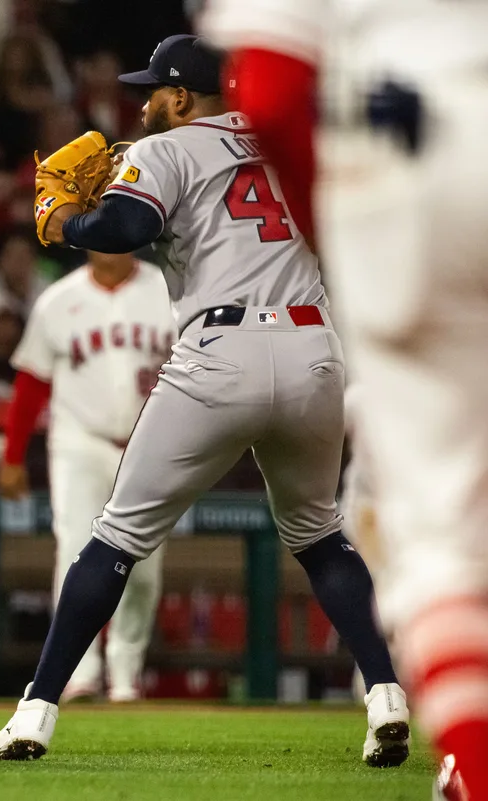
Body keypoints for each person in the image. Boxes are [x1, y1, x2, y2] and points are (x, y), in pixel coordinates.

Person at [0, 35, 408, 768]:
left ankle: (34, 711)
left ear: (183, 96)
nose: (146, 103)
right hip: (315, 350)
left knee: (115, 537)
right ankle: (385, 696)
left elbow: (125, 228)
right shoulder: (286, 141)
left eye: (154, 90)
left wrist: (64, 225)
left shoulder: (165, 150)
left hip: (221, 350)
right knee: (318, 534)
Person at [201, 2, 488, 795]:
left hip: (414, 149)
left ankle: (474, 763)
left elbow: (269, 86)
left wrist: (337, 225)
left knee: (439, 540)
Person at [0, 250, 174, 702]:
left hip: (149, 443)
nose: (108, 244)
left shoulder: (167, 289)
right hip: (80, 441)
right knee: (75, 551)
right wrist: (13, 455)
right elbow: (32, 381)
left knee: (145, 565)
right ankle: (80, 672)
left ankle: (125, 672)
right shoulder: (58, 300)